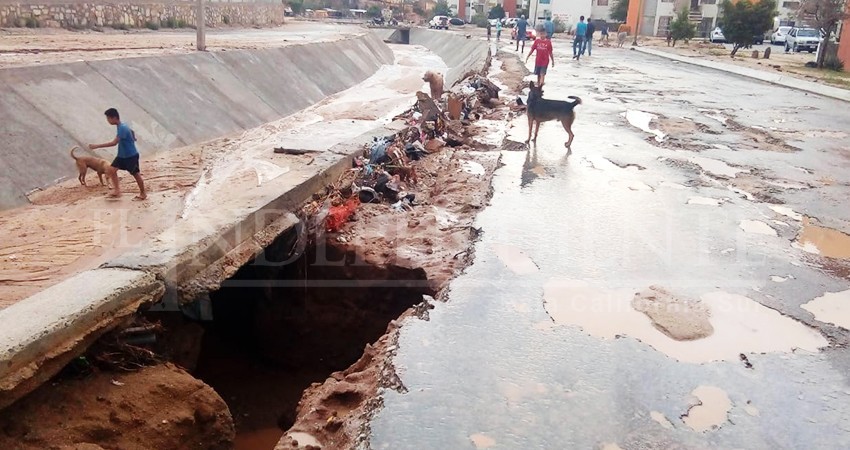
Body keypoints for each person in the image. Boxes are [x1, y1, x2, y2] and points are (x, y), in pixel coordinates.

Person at [89, 108, 146, 200]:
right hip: (122, 156)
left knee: (136, 174)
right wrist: (133, 138)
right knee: (111, 170)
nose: (108, 121)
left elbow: (114, 143)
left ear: (114, 118)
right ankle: (117, 191)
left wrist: (97, 146)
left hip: (130, 156)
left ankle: (143, 193)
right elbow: (131, 131)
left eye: (108, 119)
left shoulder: (122, 128)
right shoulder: (122, 125)